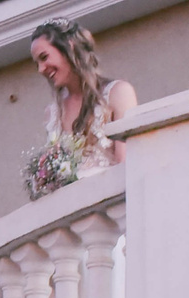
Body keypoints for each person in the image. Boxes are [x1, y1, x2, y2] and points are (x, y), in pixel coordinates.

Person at [30, 19, 138, 181]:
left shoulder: (117, 93)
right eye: (37, 64)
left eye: (44, 57)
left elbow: (126, 164)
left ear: (69, 48)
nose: (41, 69)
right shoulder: (53, 114)